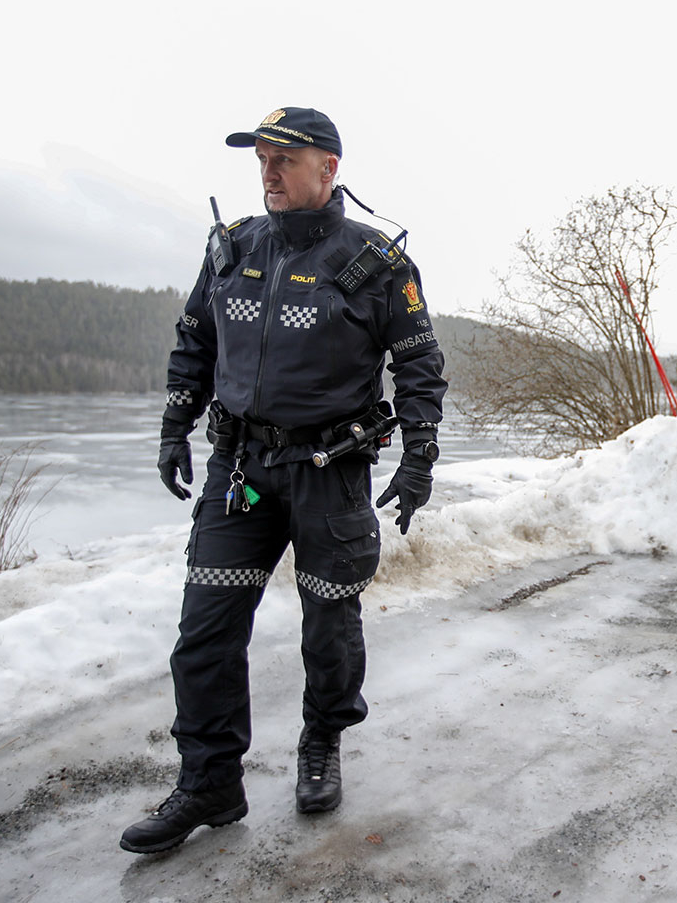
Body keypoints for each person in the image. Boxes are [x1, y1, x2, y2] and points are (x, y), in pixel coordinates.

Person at [120, 106, 447, 854]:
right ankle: (208, 782)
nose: (269, 171)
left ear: (328, 169)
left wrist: (419, 454)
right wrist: (176, 426)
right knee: (203, 633)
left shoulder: (375, 262)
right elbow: (194, 340)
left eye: (285, 159)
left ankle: (322, 740)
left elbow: (420, 363)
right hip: (241, 472)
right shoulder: (232, 247)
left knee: (329, 625)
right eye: (262, 158)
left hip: (329, 474)